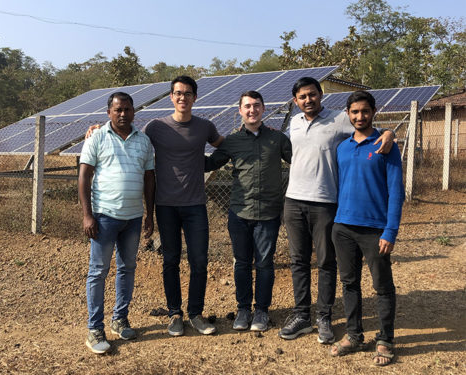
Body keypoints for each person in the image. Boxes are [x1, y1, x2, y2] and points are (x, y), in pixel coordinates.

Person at [279, 77, 395, 344]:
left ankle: (324, 317)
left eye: (312, 94)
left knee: (326, 262)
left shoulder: (339, 119)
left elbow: (368, 127)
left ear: (320, 95)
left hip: (325, 203)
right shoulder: (294, 123)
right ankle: (301, 316)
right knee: (298, 261)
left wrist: (391, 132)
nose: (308, 100)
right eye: (302, 97)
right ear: (295, 101)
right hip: (293, 201)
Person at [143, 76, 224, 336]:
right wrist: (98, 128)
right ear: (171, 96)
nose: (182, 98)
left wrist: (208, 164)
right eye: (178, 93)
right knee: (171, 260)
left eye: (188, 93)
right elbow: (132, 140)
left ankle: (196, 314)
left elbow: (225, 146)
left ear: (195, 98)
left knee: (199, 261)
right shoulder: (155, 127)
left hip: (195, 206)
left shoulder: (204, 127)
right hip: (165, 205)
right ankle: (175, 313)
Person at [205, 91, 292, 332]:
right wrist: (179, 150)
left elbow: (302, 160)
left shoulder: (278, 140)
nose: (251, 110)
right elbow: (209, 164)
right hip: (239, 213)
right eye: (247, 106)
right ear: (240, 111)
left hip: (268, 214)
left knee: (264, 263)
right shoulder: (232, 141)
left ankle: (262, 311)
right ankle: (243, 309)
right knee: (241, 263)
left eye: (256, 106)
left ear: (263, 109)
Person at [329, 90, 404, 367]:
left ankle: (385, 339)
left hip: (375, 229)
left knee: (382, 286)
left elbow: (396, 192)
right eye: (354, 112)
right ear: (348, 114)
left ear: (373, 112)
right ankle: (354, 334)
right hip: (343, 227)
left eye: (364, 111)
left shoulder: (386, 145)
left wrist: (390, 230)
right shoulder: (343, 147)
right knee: (349, 284)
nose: (359, 117)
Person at [79, 92, 155, 354]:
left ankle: (119, 319)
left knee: (127, 268)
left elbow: (149, 179)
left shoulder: (144, 141)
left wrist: (149, 215)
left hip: (132, 218)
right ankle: (94, 328)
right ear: (109, 112)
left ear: (134, 111)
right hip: (104, 217)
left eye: (127, 109)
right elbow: (84, 176)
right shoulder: (97, 137)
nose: (123, 114)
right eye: (118, 109)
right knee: (98, 271)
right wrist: (88, 215)